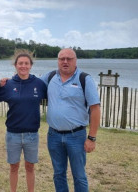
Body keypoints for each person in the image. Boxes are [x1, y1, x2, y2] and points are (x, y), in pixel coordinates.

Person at [40, 48, 101, 192]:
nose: (65, 62)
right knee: (58, 174)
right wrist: (10, 81)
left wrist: (91, 138)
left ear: (75, 61)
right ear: (58, 61)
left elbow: (95, 109)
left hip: (76, 136)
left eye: (69, 59)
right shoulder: (49, 77)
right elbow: (29, 82)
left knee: (79, 175)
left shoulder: (84, 79)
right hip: (53, 135)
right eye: (62, 59)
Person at [0, 50, 47, 192]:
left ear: (31, 65)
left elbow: (53, 98)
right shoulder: (8, 84)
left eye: (26, 63)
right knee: (14, 167)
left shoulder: (39, 84)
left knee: (30, 167)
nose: (23, 66)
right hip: (13, 134)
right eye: (20, 63)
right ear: (15, 65)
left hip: (32, 134)